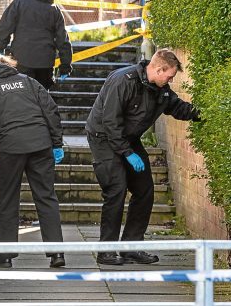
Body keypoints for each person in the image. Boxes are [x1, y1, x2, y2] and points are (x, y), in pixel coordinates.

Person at [85, 49, 200, 265]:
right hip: (103, 137)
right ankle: (106, 251)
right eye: (170, 76)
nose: (170, 80)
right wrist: (127, 153)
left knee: (144, 190)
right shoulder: (122, 81)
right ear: (159, 69)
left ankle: (131, 247)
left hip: (129, 137)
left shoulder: (160, 90)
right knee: (116, 190)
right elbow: (110, 122)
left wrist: (203, 113)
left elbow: (177, 107)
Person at [0, 51, 65, 269]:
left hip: (11, 148)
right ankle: (57, 254)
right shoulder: (28, 82)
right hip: (40, 144)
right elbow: (51, 111)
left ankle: (5, 257)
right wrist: (56, 143)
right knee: (46, 197)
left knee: (7, 200)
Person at [0, 0, 72, 90]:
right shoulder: (55, 10)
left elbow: (4, 28)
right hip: (45, 64)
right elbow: (63, 40)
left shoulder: (19, 3)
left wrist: (0, 48)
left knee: (22, 97)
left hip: (21, 60)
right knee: (42, 99)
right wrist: (65, 65)